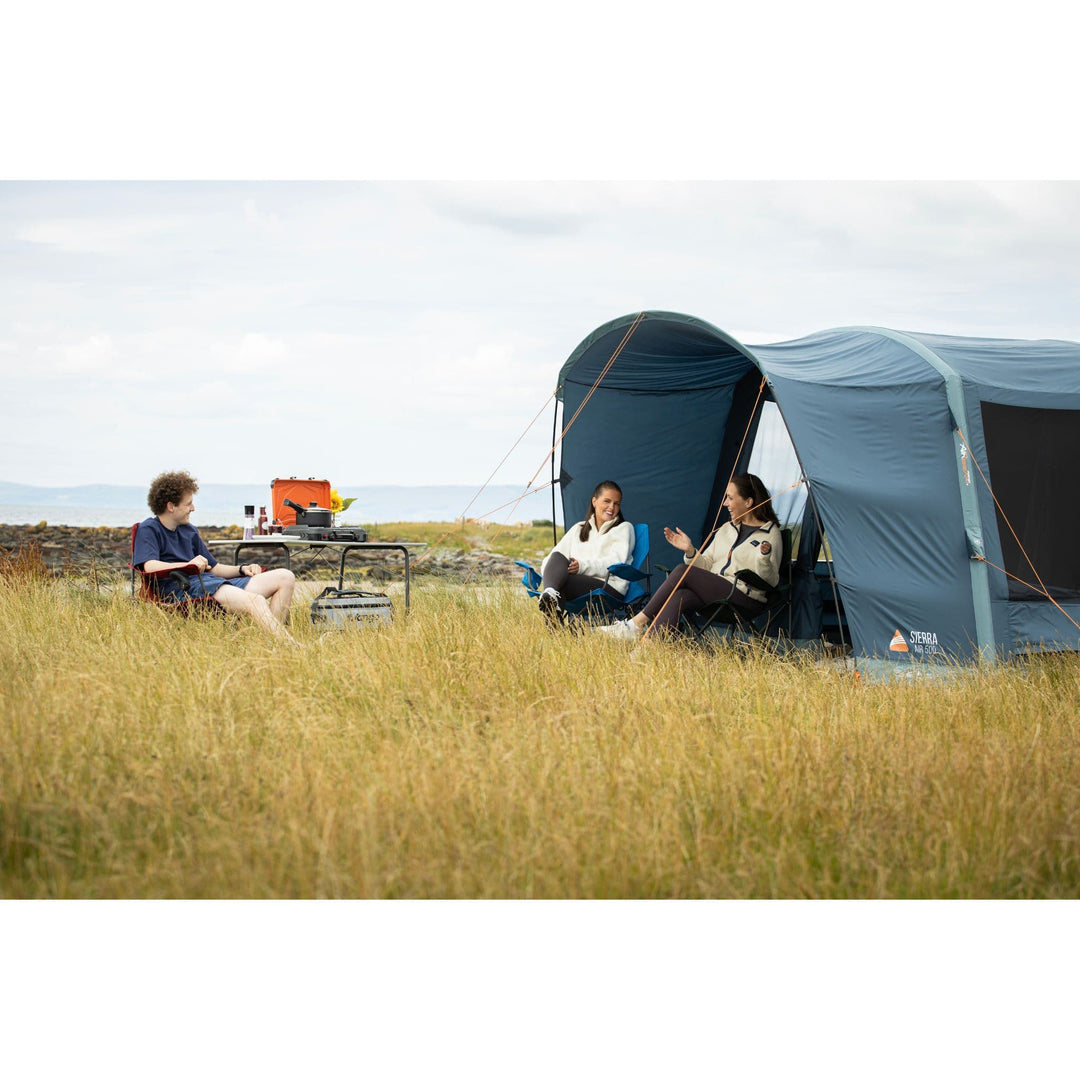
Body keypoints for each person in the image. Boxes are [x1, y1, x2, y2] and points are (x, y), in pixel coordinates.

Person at [598, 473, 782, 641]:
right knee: (682, 596)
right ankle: (647, 648)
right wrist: (690, 551)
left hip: (745, 599)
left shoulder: (769, 534)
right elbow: (707, 564)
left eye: (730, 498)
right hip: (718, 592)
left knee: (681, 571)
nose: (725, 503)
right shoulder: (727, 529)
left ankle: (635, 624)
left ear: (749, 502)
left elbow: (770, 580)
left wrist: (764, 557)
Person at [133, 470, 297, 642]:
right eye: (188, 503)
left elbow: (215, 568)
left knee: (286, 577)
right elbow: (149, 566)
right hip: (185, 589)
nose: (193, 508)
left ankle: (273, 642)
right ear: (171, 506)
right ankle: (289, 646)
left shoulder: (189, 530)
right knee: (256, 601)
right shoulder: (149, 529)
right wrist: (187, 565)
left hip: (212, 583)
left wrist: (242, 569)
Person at [536, 480, 635, 625]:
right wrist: (549, 574)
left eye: (616, 503)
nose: (611, 507)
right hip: (577, 585)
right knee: (558, 556)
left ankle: (554, 630)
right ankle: (550, 593)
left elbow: (616, 563)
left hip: (609, 588)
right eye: (607, 501)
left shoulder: (624, 528)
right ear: (594, 501)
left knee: (561, 582)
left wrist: (581, 567)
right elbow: (553, 559)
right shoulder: (578, 528)